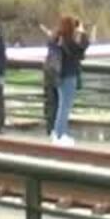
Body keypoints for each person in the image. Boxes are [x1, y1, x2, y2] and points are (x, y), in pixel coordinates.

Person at [45, 16, 91, 146]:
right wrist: (82, 33)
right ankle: (60, 135)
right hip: (69, 75)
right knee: (65, 106)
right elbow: (82, 49)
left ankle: (57, 132)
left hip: (59, 76)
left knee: (61, 105)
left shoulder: (56, 39)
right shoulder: (68, 41)